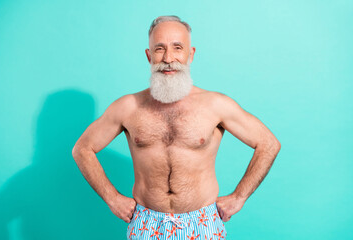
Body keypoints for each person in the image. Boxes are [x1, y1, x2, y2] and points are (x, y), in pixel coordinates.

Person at [72, 15, 281, 239]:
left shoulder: (216, 105)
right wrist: (112, 198)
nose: (168, 58)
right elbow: (82, 149)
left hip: (202, 223)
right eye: (159, 49)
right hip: (147, 223)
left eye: (177, 48)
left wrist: (239, 197)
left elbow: (268, 143)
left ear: (190, 54)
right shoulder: (128, 107)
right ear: (149, 55)